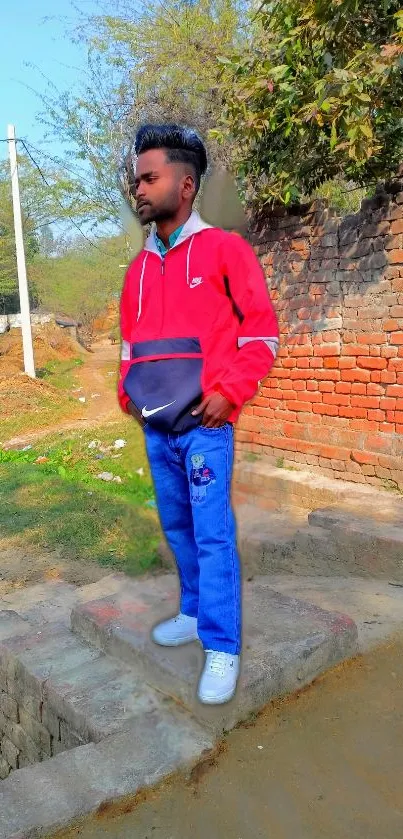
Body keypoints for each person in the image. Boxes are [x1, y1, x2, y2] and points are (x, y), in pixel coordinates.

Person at [118, 124, 279, 705]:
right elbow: (129, 346)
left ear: (185, 186)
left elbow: (262, 336)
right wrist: (127, 397)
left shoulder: (224, 251)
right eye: (137, 178)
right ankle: (191, 610)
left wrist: (230, 393)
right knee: (178, 527)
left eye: (149, 177)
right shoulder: (139, 269)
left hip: (207, 427)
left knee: (212, 534)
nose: (137, 188)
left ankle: (222, 644)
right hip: (158, 427)